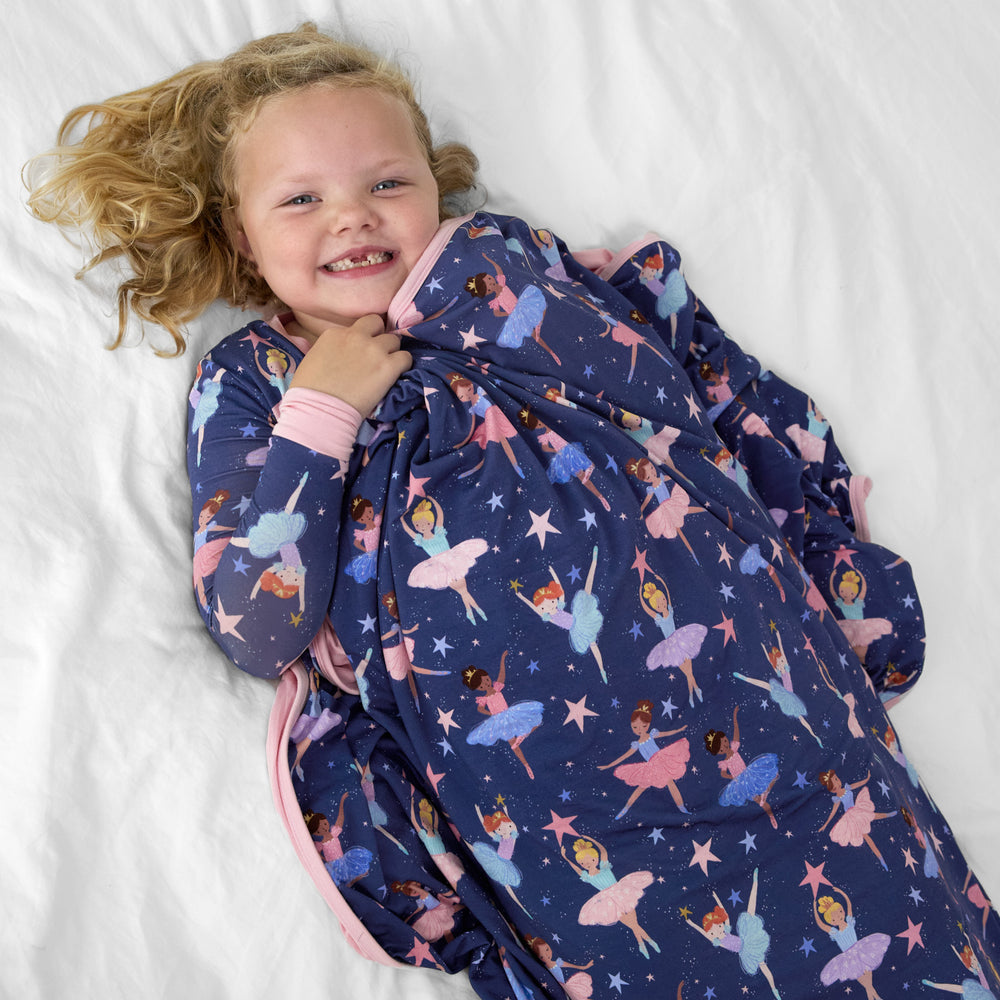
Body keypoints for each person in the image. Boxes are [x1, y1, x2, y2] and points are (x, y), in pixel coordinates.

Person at [26, 22, 998, 1000]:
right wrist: (322, 415)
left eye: (387, 183)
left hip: (747, 678)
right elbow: (255, 621)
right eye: (301, 198)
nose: (353, 218)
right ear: (242, 234)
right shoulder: (252, 385)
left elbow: (663, 402)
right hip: (551, 785)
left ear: (436, 192)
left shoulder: (507, 278)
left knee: (880, 897)